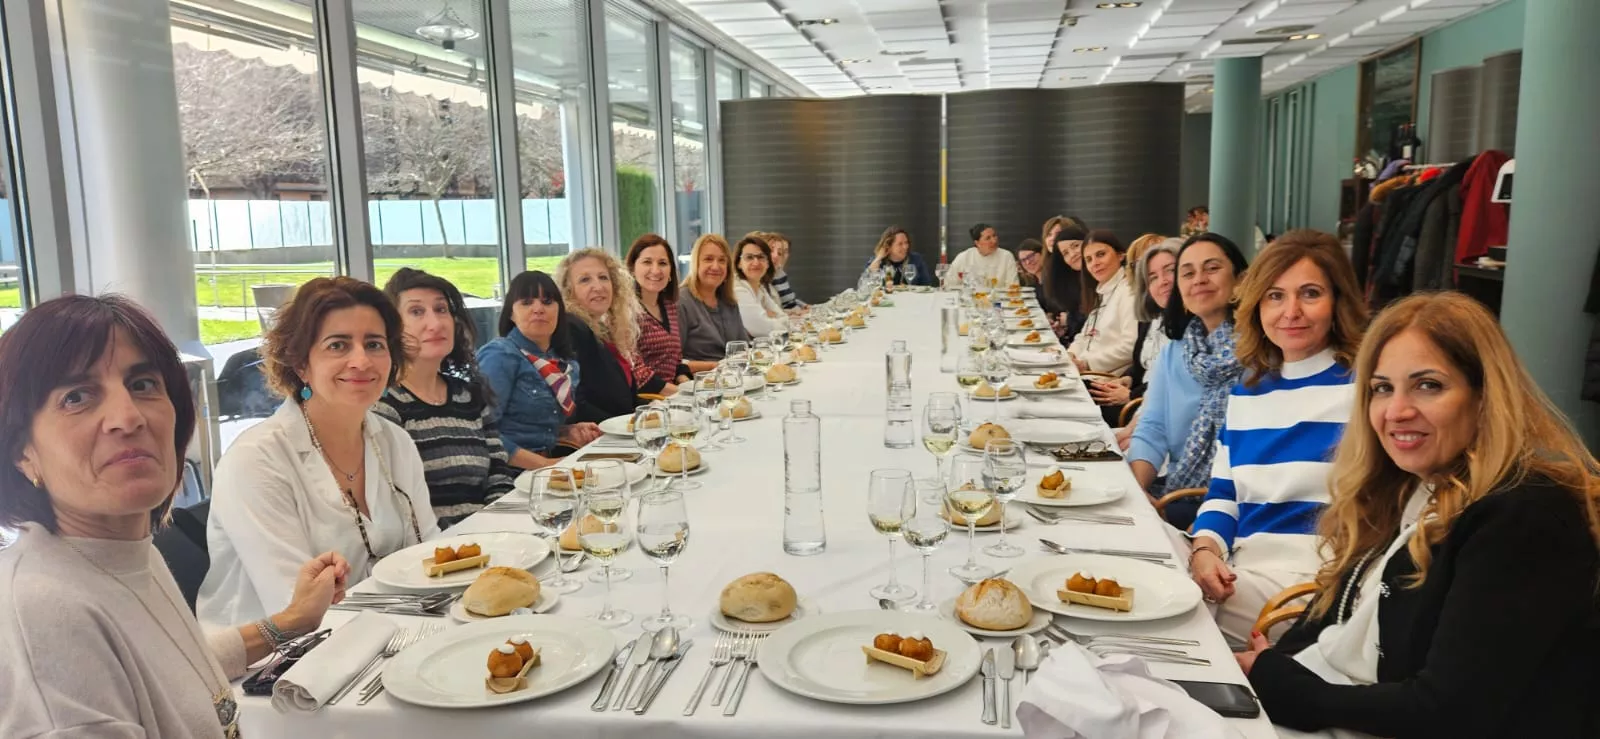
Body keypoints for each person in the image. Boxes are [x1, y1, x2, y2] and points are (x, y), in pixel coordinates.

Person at [1239, 292, 1600, 738]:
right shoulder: (1411, 484)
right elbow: (1335, 608)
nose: (1397, 411)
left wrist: (1284, 686)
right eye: (1382, 388)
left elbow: (1448, 711)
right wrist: (1277, 663)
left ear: (1485, 396)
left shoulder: (1524, 515)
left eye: (1429, 385)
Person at [0, 295, 350, 738]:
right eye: (77, 397)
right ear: (20, 451)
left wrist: (289, 622)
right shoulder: (46, 613)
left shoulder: (121, 551)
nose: (127, 417)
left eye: (143, 384)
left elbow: (171, 661)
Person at [199, 277, 439, 630]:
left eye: (374, 344)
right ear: (301, 365)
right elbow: (296, 607)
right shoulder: (256, 461)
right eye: (337, 345)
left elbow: (430, 551)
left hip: (389, 633)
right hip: (275, 666)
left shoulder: (395, 442)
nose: (361, 361)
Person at [1189, 229, 1369, 643]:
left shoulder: (1364, 391)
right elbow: (1223, 495)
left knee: (1151, 601)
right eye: (1275, 296)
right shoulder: (1247, 391)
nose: (1291, 311)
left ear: (1338, 301)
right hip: (1238, 575)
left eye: (1309, 294)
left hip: (1311, 591)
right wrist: (1205, 551)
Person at [1125, 234, 1250, 530]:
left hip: (1233, 505)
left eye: (1212, 268)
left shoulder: (1261, 350)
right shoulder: (1175, 350)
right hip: (1176, 492)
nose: (1199, 280)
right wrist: (1137, 491)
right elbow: (1153, 427)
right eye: (1188, 273)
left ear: (1240, 279)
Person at [375, 268, 519, 526]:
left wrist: (496, 529)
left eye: (441, 310)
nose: (436, 323)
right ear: (391, 328)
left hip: (490, 539)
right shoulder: (384, 406)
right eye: (417, 312)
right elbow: (395, 506)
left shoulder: (469, 395)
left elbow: (499, 473)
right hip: (431, 552)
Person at [476, 271, 602, 469]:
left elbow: (528, 426)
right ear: (511, 313)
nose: (538, 309)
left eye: (547, 302)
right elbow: (481, 431)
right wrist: (544, 464)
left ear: (559, 310)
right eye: (526, 302)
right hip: (506, 474)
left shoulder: (564, 363)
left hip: (546, 466)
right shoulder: (500, 355)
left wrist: (566, 431)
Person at [556, 248, 673, 423]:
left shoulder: (601, 329)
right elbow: (576, 403)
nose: (598, 286)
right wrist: (628, 425)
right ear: (568, 291)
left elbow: (622, 400)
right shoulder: (571, 327)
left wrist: (654, 408)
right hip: (600, 439)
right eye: (585, 280)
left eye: (603, 277)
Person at [1089, 237, 1179, 414]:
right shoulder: (1150, 314)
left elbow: (1170, 385)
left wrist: (1130, 395)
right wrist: (1129, 378)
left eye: (1170, 270)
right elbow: (1140, 363)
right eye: (1151, 274)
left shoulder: (1190, 326)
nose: (1162, 280)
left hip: (1146, 405)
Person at [1066, 229, 1138, 376]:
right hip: (1087, 371)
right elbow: (1085, 336)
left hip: (1107, 379)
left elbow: (1131, 346)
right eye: (1089, 259)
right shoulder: (1103, 290)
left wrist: (1086, 363)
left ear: (1120, 255)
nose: (1095, 263)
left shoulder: (1129, 291)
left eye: (1101, 255)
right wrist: (1070, 355)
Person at [679, 233, 750, 371]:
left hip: (734, 378)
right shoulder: (681, 302)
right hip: (699, 383)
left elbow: (744, 347)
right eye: (708, 259)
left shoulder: (729, 302)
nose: (716, 266)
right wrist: (716, 366)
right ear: (696, 263)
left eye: (722, 260)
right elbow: (675, 362)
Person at [627, 233, 690, 384]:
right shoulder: (626, 311)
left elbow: (676, 360)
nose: (656, 270)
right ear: (632, 268)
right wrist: (678, 393)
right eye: (647, 262)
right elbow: (636, 371)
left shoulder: (670, 306)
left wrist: (688, 385)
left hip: (672, 395)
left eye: (662, 263)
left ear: (670, 272)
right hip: (646, 400)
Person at [731, 233, 788, 338]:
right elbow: (762, 329)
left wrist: (769, 318)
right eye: (749, 257)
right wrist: (771, 318)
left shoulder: (760, 287)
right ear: (739, 263)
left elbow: (784, 318)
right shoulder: (737, 288)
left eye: (761, 257)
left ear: (767, 263)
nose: (756, 262)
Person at [1040, 223, 1088, 341]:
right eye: (1065, 253)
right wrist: (1065, 330)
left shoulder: (1099, 280)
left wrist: (1069, 322)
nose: (1072, 254)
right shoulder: (1070, 279)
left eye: (1075, 246)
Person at [946, 223, 1018, 287]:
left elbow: (1013, 287)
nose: (994, 240)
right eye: (988, 238)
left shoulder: (1007, 256)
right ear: (977, 243)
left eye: (994, 236)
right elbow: (949, 284)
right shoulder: (964, 257)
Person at [868, 226, 933, 287]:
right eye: (900, 244)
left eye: (906, 242)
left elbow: (926, 284)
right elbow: (867, 284)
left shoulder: (916, 259)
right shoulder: (876, 260)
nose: (905, 247)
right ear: (889, 246)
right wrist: (878, 258)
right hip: (886, 298)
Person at [766, 231, 806, 310]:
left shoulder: (780, 273)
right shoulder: (761, 280)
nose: (775, 256)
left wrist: (803, 305)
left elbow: (789, 300)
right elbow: (772, 311)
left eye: (781, 253)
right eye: (771, 250)